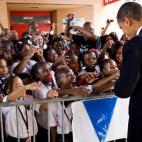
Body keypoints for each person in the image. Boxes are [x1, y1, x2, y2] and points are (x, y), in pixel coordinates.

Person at [114, 2, 142, 142]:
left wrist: (117, 81)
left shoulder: (135, 45)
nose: (123, 33)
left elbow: (123, 90)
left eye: (122, 27)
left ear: (127, 21)